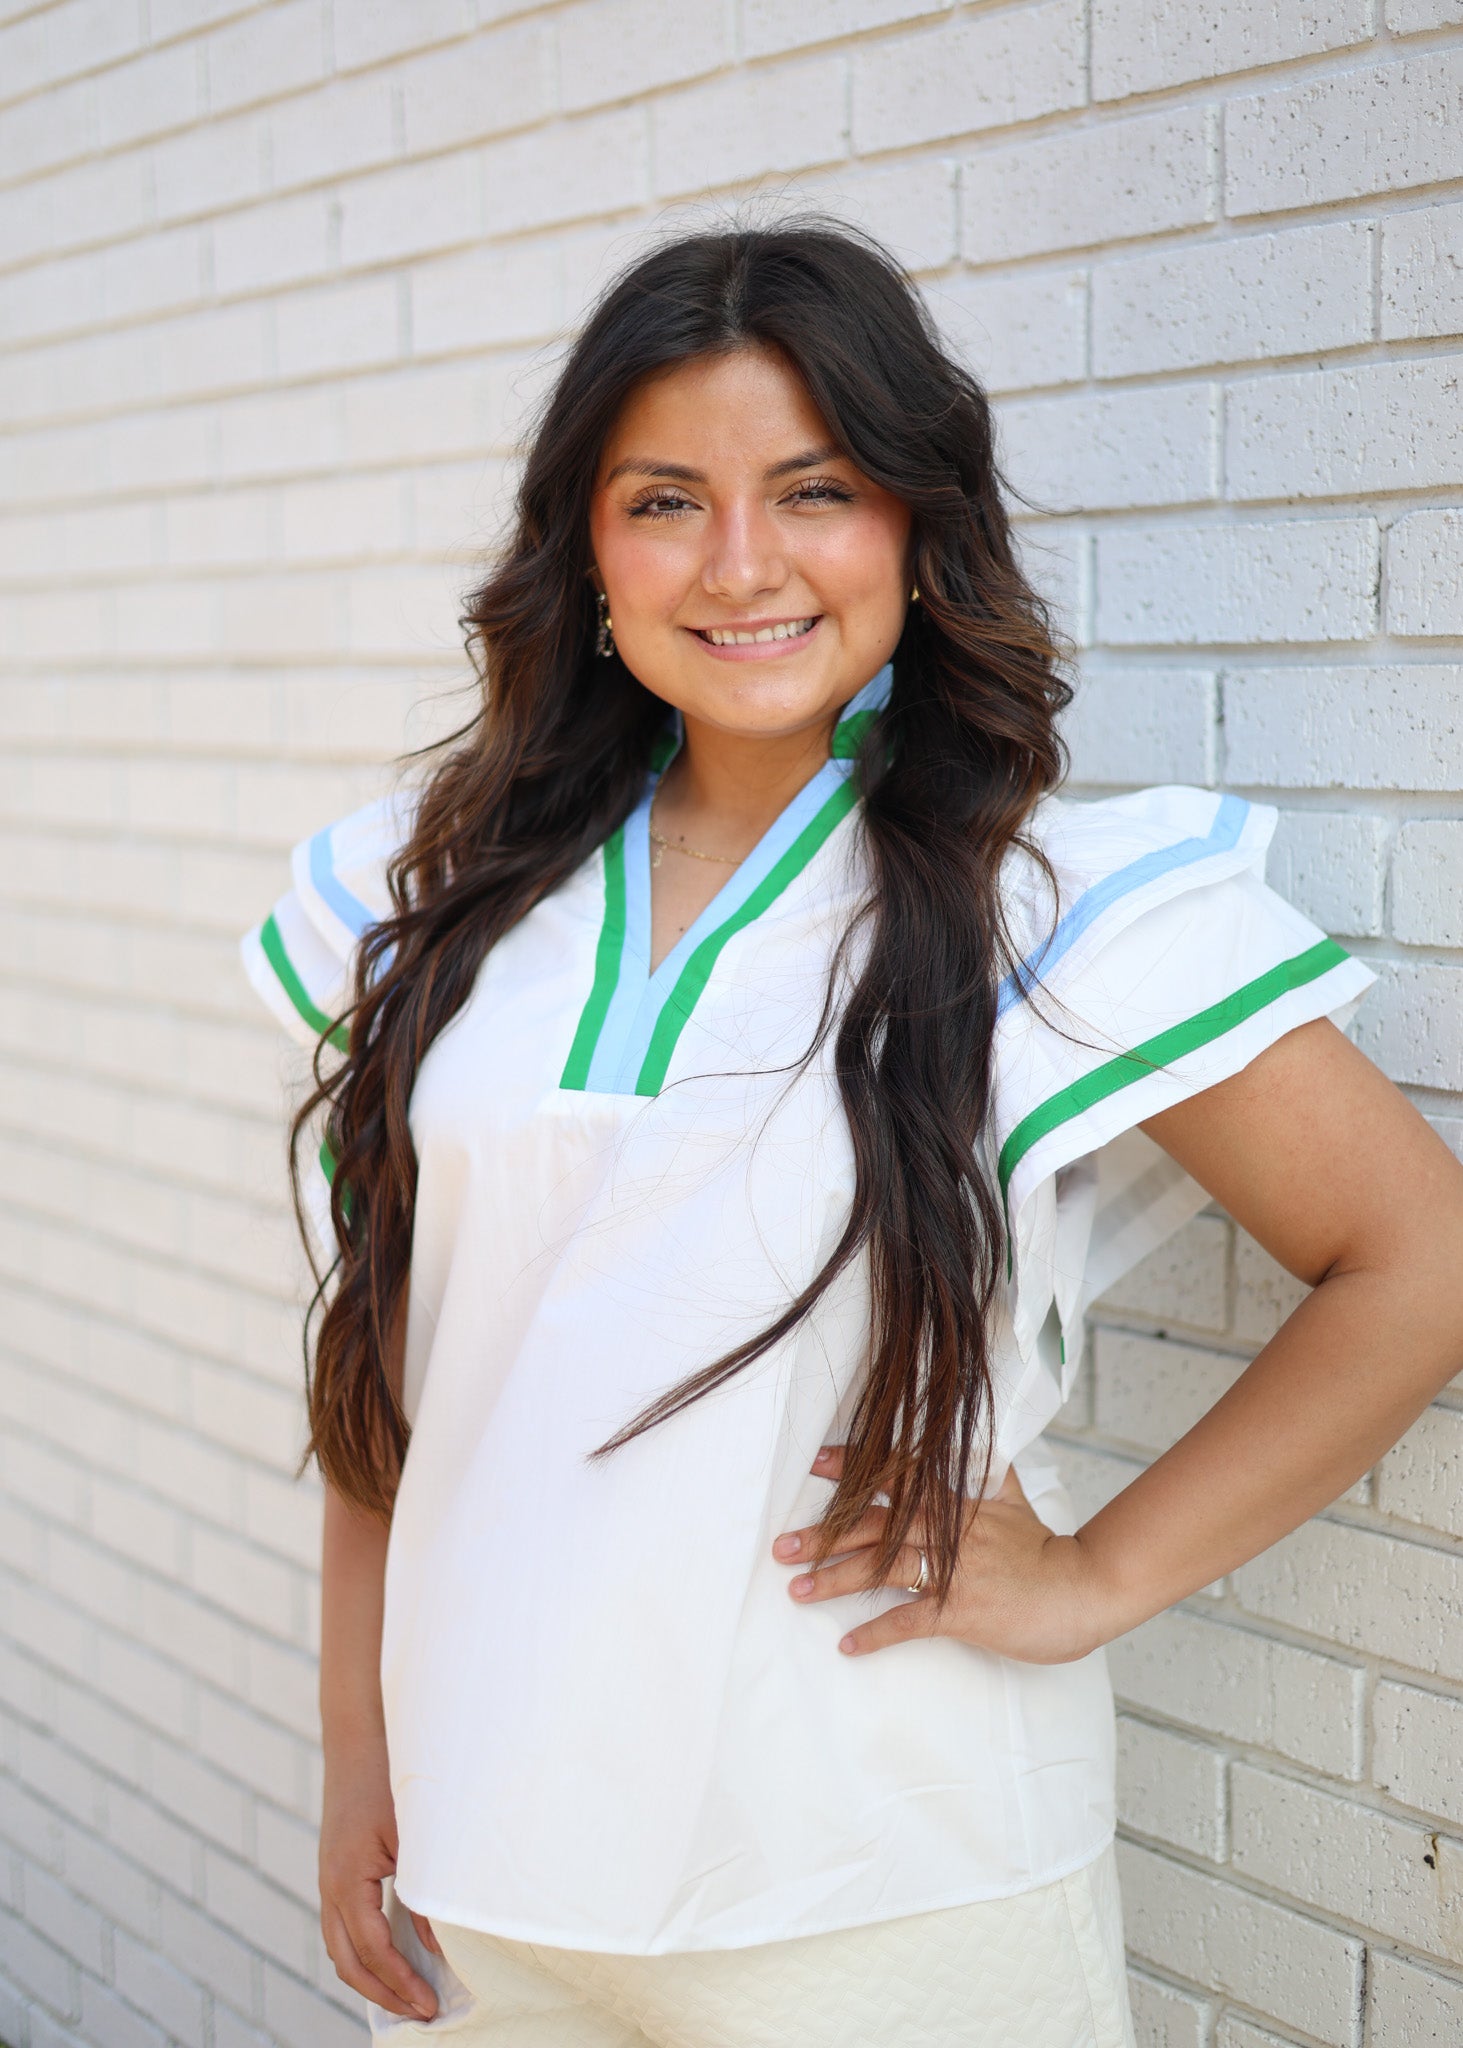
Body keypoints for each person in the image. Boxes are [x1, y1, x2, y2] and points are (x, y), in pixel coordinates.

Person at [242, 224, 1463, 2048]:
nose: (741, 564)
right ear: (584, 549)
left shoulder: (1058, 908)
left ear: (911, 519)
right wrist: (361, 1753)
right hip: (492, 1876)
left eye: (812, 488)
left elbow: (1417, 1259)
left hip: (891, 1890)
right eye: (666, 500)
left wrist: (1095, 1577)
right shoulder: (428, 904)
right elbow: (399, 1387)